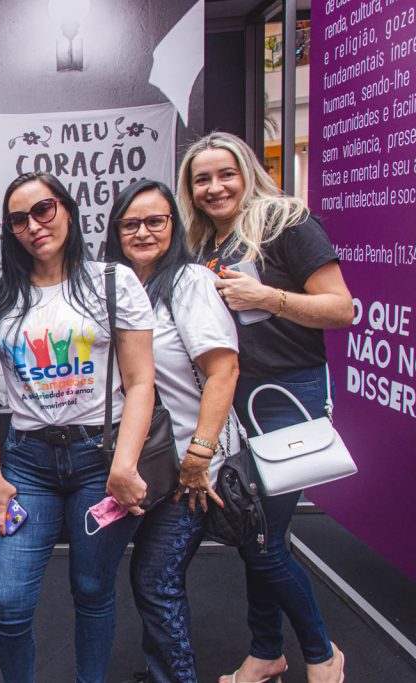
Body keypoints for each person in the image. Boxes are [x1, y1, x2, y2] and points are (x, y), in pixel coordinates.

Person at [177, 131, 353, 683]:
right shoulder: (200, 243)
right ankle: (265, 651)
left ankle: (322, 655)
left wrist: (268, 298)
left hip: (285, 398)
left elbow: (341, 309)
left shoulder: (284, 222)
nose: (214, 187)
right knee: (256, 533)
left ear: (246, 172)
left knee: (261, 538)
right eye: (201, 179)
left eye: (224, 174)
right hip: (231, 402)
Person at [0, 171, 156, 683]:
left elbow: (140, 383)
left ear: (68, 211)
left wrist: (124, 463)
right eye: (18, 220)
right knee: (8, 600)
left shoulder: (114, 282)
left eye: (44, 210)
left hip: (100, 459)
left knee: (93, 591)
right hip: (27, 462)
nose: (33, 226)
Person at [103, 179, 240, 683]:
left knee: (155, 578)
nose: (142, 232)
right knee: (136, 579)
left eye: (155, 221)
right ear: (115, 230)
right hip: (132, 466)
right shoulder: (108, 287)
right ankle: (158, 668)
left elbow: (223, 371)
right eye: (130, 223)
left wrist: (200, 456)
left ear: (173, 226)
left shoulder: (189, 283)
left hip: (185, 466)